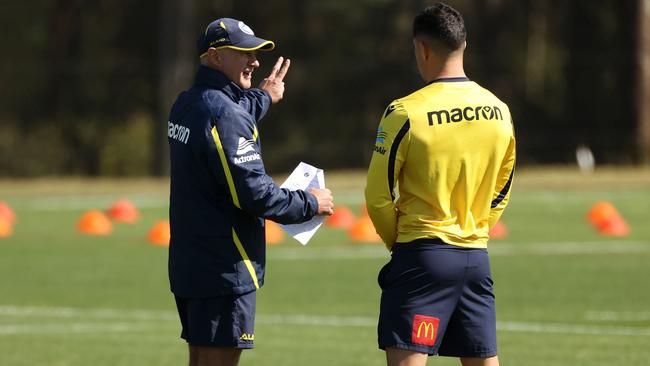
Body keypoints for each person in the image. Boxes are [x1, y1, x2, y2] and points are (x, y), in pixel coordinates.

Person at [167, 17, 334, 366]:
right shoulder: (224, 114)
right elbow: (254, 194)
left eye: (255, 54)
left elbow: (227, 118)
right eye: (244, 53)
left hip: (192, 261)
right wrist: (309, 203)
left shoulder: (187, 103)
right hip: (224, 266)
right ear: (215, 57)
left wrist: (264, 96)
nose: (254, 62)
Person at [365, 3, 515, 366]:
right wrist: (476, 229)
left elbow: (378, 196)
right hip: (475, 260)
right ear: (464, 45)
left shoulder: (405, 112)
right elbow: (503, 188)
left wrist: (399, 242)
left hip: (423, 260)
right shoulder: (499, 110)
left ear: (422, 48)